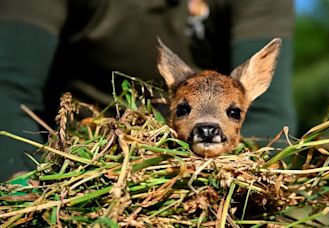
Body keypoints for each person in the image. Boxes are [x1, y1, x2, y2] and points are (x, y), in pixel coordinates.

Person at [0, 0, 296, 181]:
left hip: (220, 171)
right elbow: (8, 87)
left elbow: (269, 116)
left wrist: (246, 185)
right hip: (76, 157)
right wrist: (22, 181)